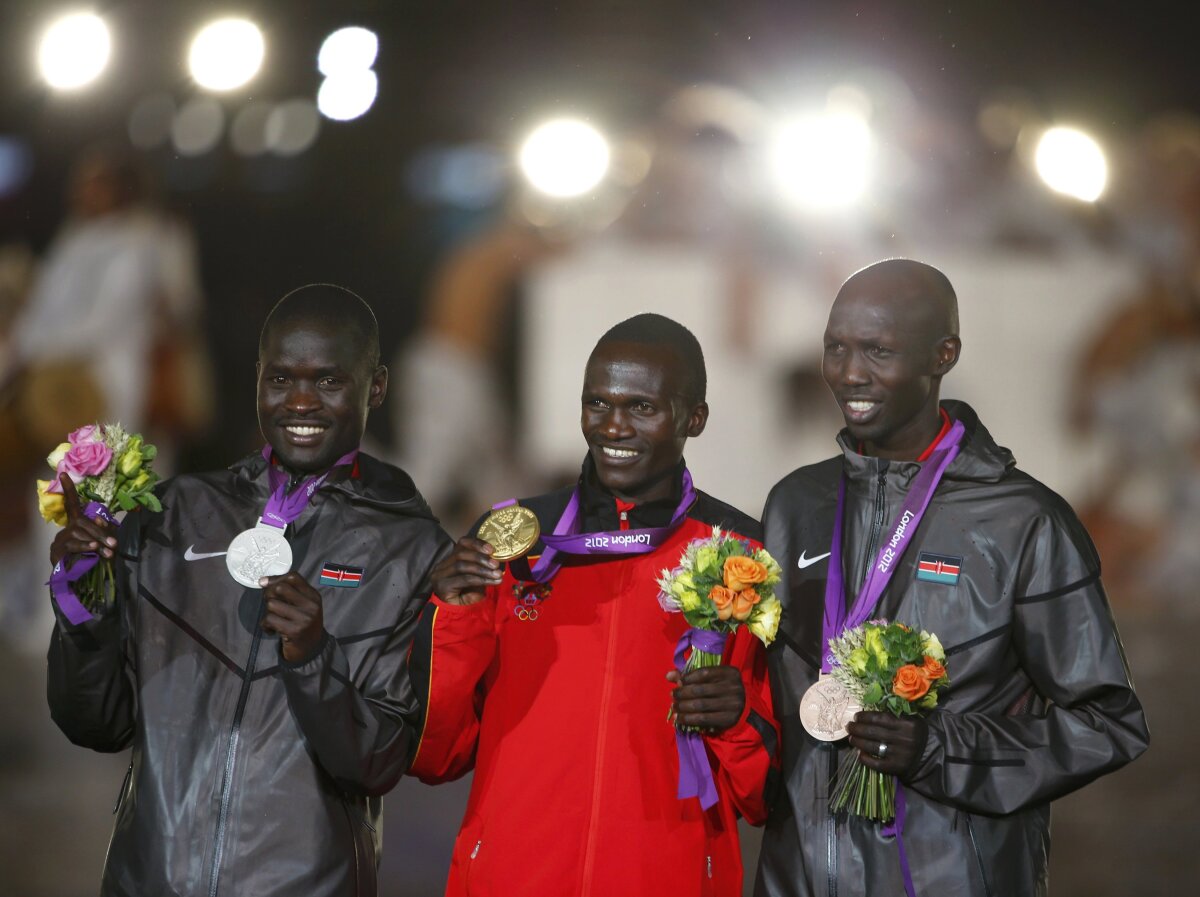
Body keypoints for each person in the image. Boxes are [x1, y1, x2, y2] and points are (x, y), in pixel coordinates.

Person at [754, 259, 1149, 897]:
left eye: (878, 351)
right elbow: (772, 706)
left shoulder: (1023, 521)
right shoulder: (794, 505)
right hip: (799, 875)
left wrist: (940, 749)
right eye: (836, 348)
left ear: (943, 355)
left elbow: (1108, 723)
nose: (850, 374)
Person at [45, 284, 451, 897]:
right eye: (282, 380)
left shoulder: (412, 552)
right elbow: (97, 724)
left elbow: (379, 761)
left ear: (376, 387)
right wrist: (82, 604)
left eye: (331, 382)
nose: (302, 402)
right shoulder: (175, 513)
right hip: (149, 880)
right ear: (258, 377)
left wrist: (314, 656)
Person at [408, 313, 778, 897]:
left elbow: (763, 797)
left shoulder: (742, 556)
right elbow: (437, 754)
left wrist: (736, 721)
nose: (613, 426)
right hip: (512, 879)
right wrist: (455, 616)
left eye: (641, 408)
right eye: (597, 404)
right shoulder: (513, 540)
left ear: (694, 418)